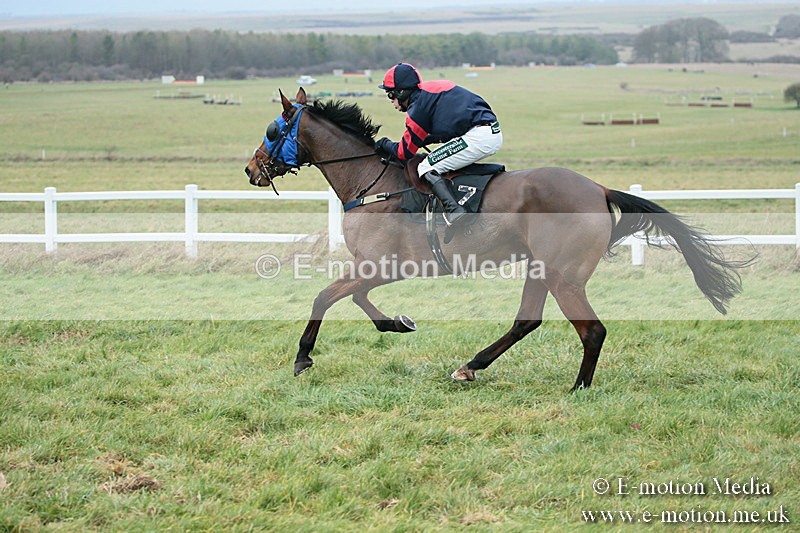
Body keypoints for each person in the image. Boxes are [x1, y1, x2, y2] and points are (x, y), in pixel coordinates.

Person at [374, 62, 502, 226]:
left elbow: (404, 152)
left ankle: (454, 210)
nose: (391, 101)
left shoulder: (416, 110)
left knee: (426, 167)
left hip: (479, 136)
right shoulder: (429, 90)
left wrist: (384, 143)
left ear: (401, 92)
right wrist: (428, 138)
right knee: (442, 160)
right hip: (486, 130)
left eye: (391, 95)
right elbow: (448, 124)